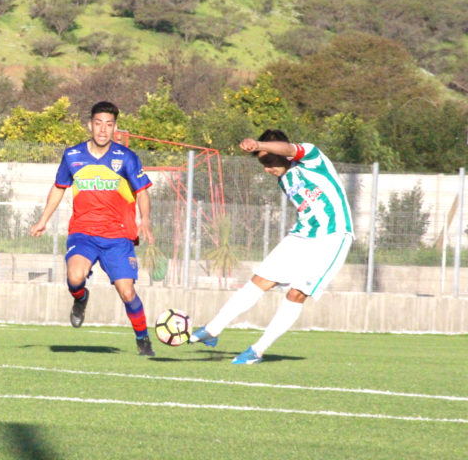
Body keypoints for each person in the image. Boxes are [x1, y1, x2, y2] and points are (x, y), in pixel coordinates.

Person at [189, 129, 354, 364]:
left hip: (333, 236)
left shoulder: (311, 158)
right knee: (259, 281)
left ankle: (257, 350)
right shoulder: (284, 179)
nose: (266, 169)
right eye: (262, 164)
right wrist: (260, 148)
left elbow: (289, 149)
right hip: (301, 236)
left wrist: (257, 143)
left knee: (296, 293)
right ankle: (213, 329)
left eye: (268, 161)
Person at [30, 101, 156, 356]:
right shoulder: (72, 155)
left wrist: (146, 221)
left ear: (115, 128)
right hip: (83, 232)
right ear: (90, 124)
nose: (102, 129)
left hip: (118, 235)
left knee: (127, 291)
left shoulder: (126, 158)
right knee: (74, 278)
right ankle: (80, 298)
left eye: (108, 125)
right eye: (98, 123)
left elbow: (142, 192)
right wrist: (43, 219)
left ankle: (143, 339)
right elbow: (58, 187)